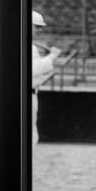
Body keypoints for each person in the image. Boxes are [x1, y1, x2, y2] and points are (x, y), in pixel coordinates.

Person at [32, 11, 61, 146]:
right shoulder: (29, 47)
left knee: (32, 135)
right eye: (36, 26)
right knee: (30, 136)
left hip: (32, 92)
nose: (40, 30)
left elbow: (37, 76)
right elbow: (33, 70)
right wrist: (51, 57)